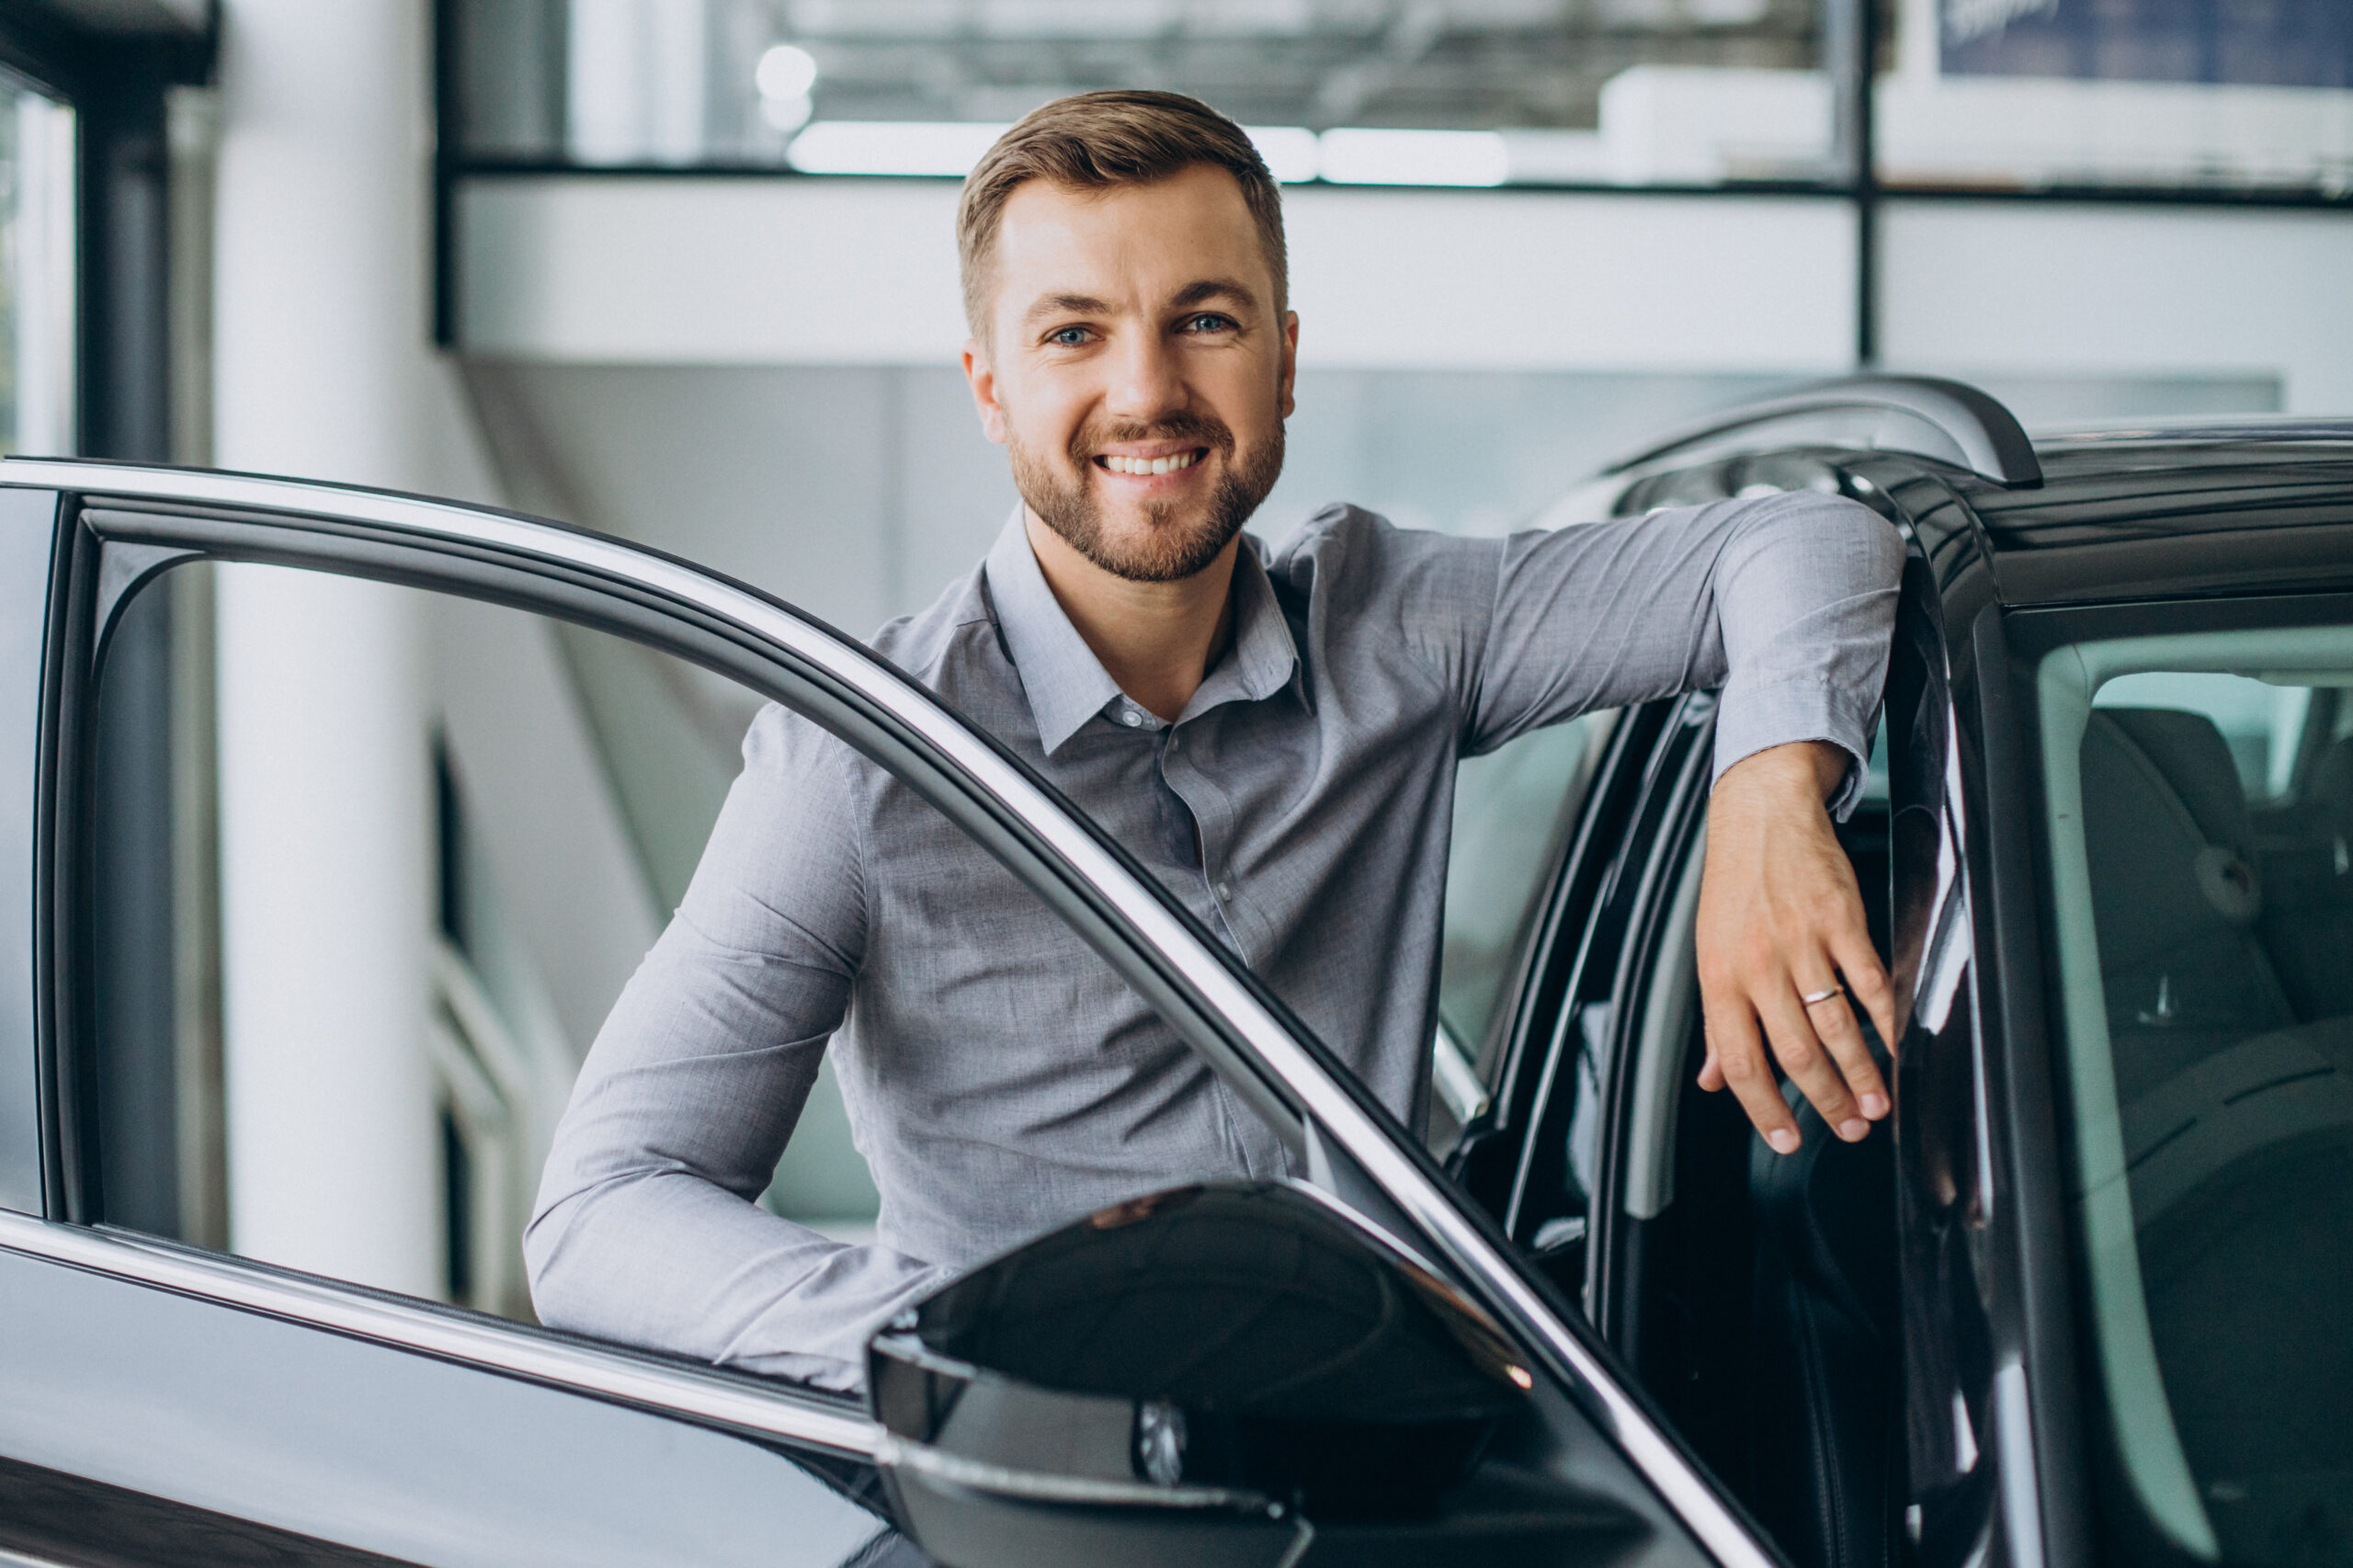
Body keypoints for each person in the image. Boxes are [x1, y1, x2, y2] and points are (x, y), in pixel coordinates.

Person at [525, 90, 1904, 1392]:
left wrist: (1770, 797)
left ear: (1284, 360)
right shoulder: (859, 761)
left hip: (1384, 1451)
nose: (1149, 391)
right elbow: (602, 1210)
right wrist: (955, 1350)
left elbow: (1815, 540)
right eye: (1074, 334)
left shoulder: (1398, 626)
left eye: (1205, 319)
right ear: (989, 385)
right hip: (1039, 1497)